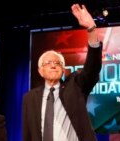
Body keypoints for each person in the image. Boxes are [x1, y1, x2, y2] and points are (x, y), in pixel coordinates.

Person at [22, 3, 102, 141]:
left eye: (57, 63)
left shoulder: (75, 85)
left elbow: (92, 67)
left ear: (63, 69)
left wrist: (91, 29)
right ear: (40, 71)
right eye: (48, 63)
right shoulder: (30, 98)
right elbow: (28, 134)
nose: (53, 65)